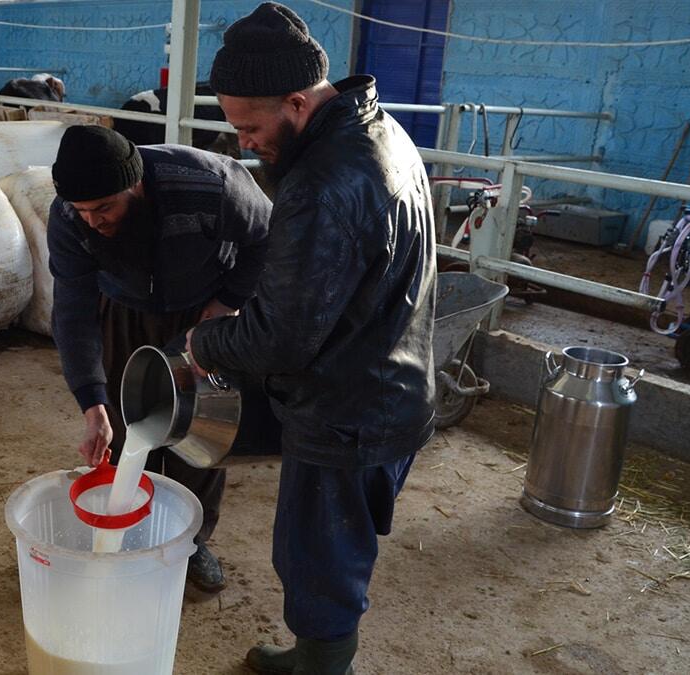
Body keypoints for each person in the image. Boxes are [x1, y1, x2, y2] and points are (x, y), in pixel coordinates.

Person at [184, 3, 437, 672]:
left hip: (349, 409)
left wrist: (203, 345)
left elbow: (282, 338)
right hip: (391, 383)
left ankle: (324, 665)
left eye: (250, 127)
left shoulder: (325, 180)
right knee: (327, 552)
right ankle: (312, 657)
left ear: (297, 102)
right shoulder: (382, 133)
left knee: (317, 560)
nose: (241, 143)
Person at [48, 125, 272, 594]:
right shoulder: (70, 217)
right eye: (83, 211)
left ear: (135, 185)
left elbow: (267, 237)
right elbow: (72, 308)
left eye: (104, 207)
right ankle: (131, 534)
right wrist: (91, 404)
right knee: (125, 421)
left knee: (202, 433)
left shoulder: (211, 185)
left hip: (203, 311)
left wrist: (229, 302)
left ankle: (191, 541)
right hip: (124, 311)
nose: (93, 221)